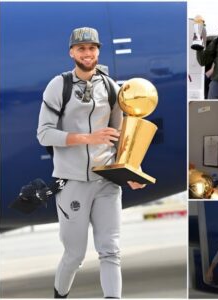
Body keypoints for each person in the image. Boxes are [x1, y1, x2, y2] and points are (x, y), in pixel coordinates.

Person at [37, 27, 145, 298]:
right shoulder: (58, 86)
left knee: (111, 251)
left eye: (92, 48)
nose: (87, 53)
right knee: (74, 254)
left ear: (98, 51)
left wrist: (132, 169)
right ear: (72, 52)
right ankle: (59, 295)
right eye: (82, 48)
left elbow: (121, 137)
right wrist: (88, 137)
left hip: (107, 181)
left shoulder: (111, 87)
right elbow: (44, 134)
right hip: (72, 182)